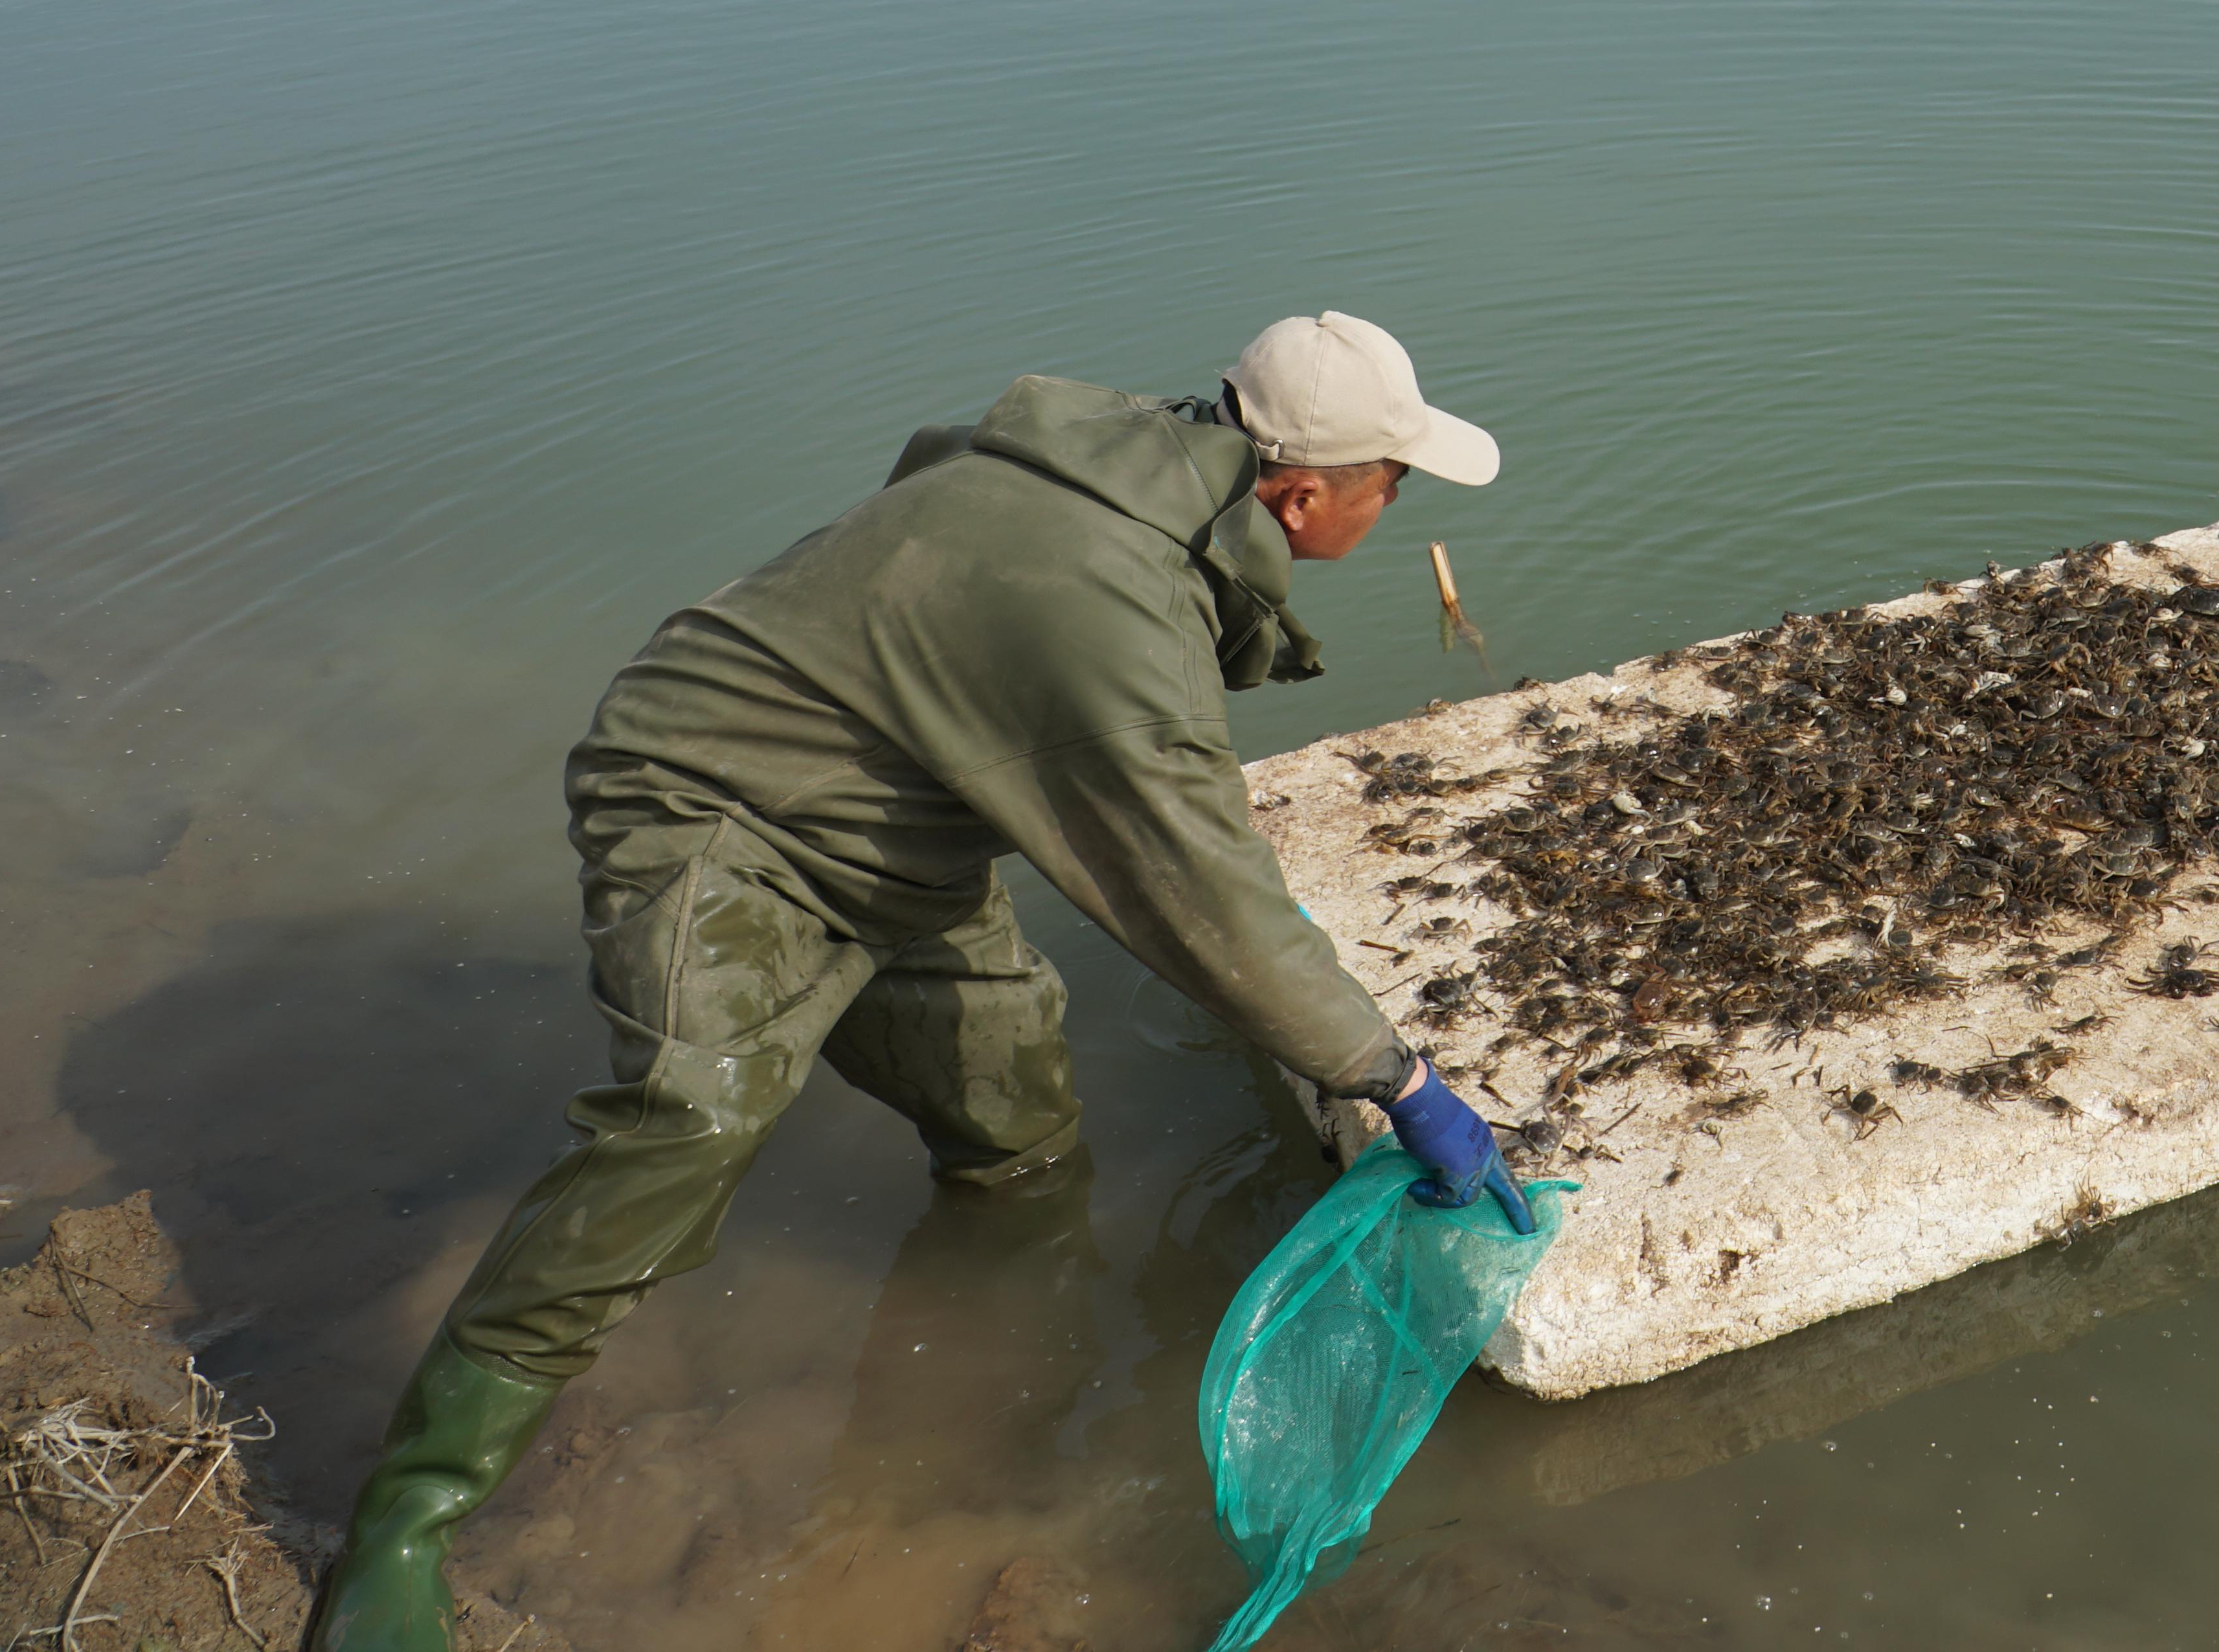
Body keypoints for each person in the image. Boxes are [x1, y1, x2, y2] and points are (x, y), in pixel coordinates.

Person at [304, 312, 1531, 1652]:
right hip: (711, 805)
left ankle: (959, 1431)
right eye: (1391, 480)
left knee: (1018, 1130)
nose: (1397, 500)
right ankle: (402, 1522)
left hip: (895, 824)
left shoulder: (1112, 459)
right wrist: (1396, 1076)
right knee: (683, 1130)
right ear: (1302, 491)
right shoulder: (1110, 605)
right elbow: (1206, 902)